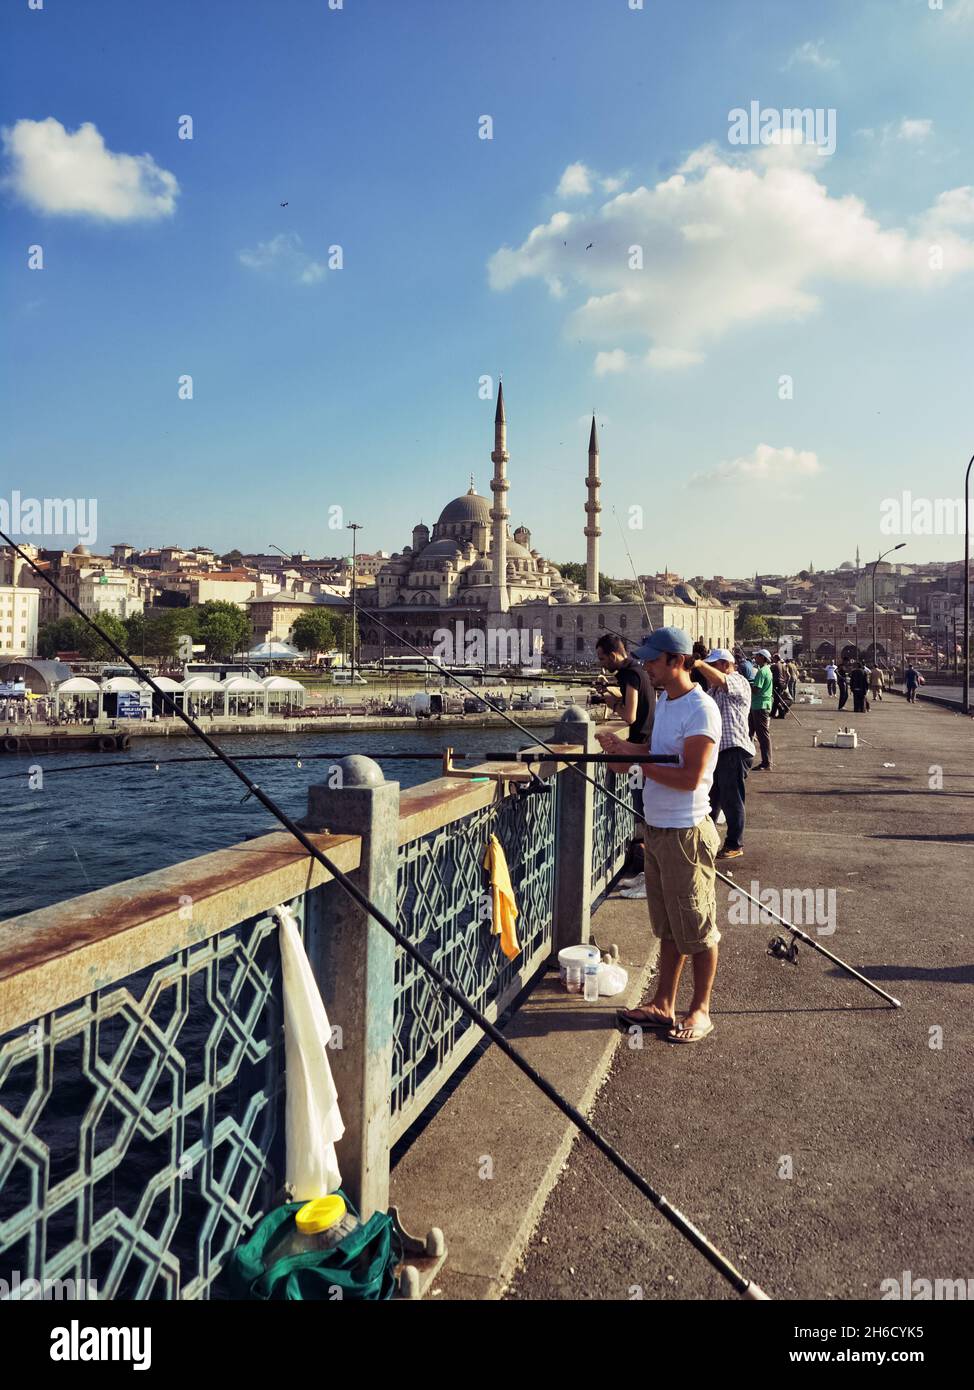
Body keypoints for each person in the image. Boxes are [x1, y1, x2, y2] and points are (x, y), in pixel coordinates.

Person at [595, 626, 723, 1045]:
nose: (646, 666)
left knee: (698, 929)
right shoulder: (667, 701)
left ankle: (700, 1010)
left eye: (653, 660)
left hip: (686, 832)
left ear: (677, 662)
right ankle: (663, 1003)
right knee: (670, 927)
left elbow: (688, 777)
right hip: (659, 828)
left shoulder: (701, 710)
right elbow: (653, 748)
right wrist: (621, 748)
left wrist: (640, 765)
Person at [596, 633, 656, 877]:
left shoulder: (630, 675)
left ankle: (646, 870)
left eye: (603, 658)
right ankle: (646, 867)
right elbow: (638, 702)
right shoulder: (638, 671)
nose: (602, 663)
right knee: (641, 805)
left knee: (639, 806)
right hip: (646, 747)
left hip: (637, 753)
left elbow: (630, 715)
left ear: (613, 655)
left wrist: (610, 701)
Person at [696, 648, 754, 860]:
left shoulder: (738, 680)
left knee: (732, 799)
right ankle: (705, 839)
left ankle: (734, 843)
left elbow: (722, 680)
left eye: (712, 666)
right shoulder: (713, 691)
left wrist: (699, 664)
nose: (708, 671)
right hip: (719, 752)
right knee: (712, 798)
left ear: (725, 665)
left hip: (735, 750)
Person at [748, 649, 774, 769]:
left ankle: (766, 762)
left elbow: (757, 689)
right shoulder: (767, 670)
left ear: (763, 658)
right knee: (751, 732)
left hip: (760, 705)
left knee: (762, 736)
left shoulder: (762, 672)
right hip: (761, 705)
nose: (755, 658)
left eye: (757, 656)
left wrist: (747, 684)